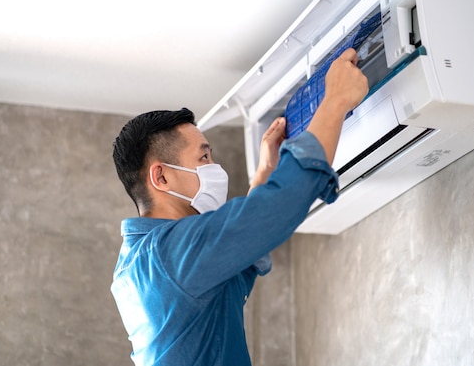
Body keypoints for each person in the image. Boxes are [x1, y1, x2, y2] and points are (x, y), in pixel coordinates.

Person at [110, 48, 369, 365]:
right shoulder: (169, 254)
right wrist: (335, 101)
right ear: (161, 176)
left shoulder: (140, 265)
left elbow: (237, 263)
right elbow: (278, 210)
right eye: (204, 157)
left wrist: (264, 176)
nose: (214, 167)